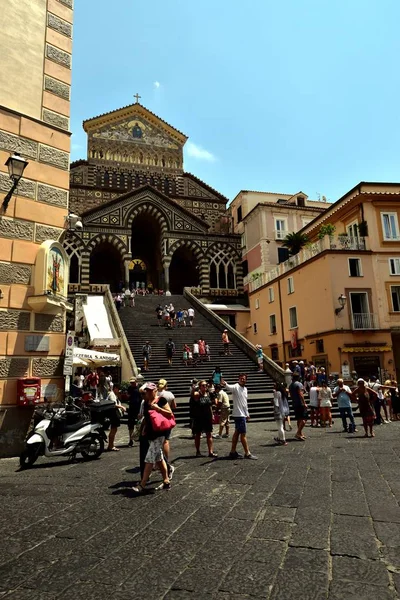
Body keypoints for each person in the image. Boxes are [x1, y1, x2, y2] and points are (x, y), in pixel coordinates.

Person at [132, 382, 171, 493]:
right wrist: (143, 428)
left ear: (155, 391)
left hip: (160, 432)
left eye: (150, 390)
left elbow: (169, 413)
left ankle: (142, 484)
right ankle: (166, 480)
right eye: (147, 390)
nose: (148, 392)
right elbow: (146, 417)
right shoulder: (145, 402)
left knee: (149, 458)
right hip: (149, 433)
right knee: (159, 457)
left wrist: (157, 408)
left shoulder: (161, 400)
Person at [222, 373, 257, 460]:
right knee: (243, 434)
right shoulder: (236, 387)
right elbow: (229, 387)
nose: (242, 380)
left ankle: (233, 452)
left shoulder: (245, 389)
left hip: (242, 414)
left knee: (237, 433)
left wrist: (247, 413)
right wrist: (225, 384)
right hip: (239, 415)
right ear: (238, 379)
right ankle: (247, 453)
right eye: (241, 378)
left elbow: (245, 403)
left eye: (244, 379)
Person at [96, 381, 126, 452]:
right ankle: (111, 445)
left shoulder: (114, 395)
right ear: (115, 388)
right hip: (113, 414)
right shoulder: (112, 395)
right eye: (118, 389)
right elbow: (113, 404)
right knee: (113, 430)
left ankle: (111, 445)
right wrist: (122, 407)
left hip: (114, 413)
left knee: (114, 430)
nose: (119, 391)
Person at [191, 380, 217, 457]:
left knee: (209, 433)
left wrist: (212, 415)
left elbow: (210, 406)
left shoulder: (208, 394)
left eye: (206, 385)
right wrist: (194, 389)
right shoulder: (197, 394)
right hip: (198, 416)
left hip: (207, 416)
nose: (205, 386)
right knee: (198, 434)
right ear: (199, 386)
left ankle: (210, 451)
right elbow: (193, 394)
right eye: (203, 385)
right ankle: (198, 451)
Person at [157, 378, 177, 480]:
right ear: (166, 385)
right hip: (167, 419)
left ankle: (158, 461)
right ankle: (165, 459)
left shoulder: (155, 394)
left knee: (156, 440)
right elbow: (174, 406)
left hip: (156, 419)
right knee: (166, 440)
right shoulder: (169, 394)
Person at [289, 373, 308, 441]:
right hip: (300, 403)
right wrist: (304, 403)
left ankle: (300, 433)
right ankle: (298, 433)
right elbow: (301, 394)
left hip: (294, 403)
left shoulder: (291, 385)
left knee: (299, 419)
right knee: (304, 419)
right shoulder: (299, 384)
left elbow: (291, 395)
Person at [127, 377, 142, 447]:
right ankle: (130, 440)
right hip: (131, 408)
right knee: (130, 425)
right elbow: (128, 396)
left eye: (133, 382)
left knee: (140, 424)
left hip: (138, 408)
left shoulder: (140, 387)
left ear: (136, 381)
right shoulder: (129, 388)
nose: (132, 384)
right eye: (131, 382)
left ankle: (140, 437)